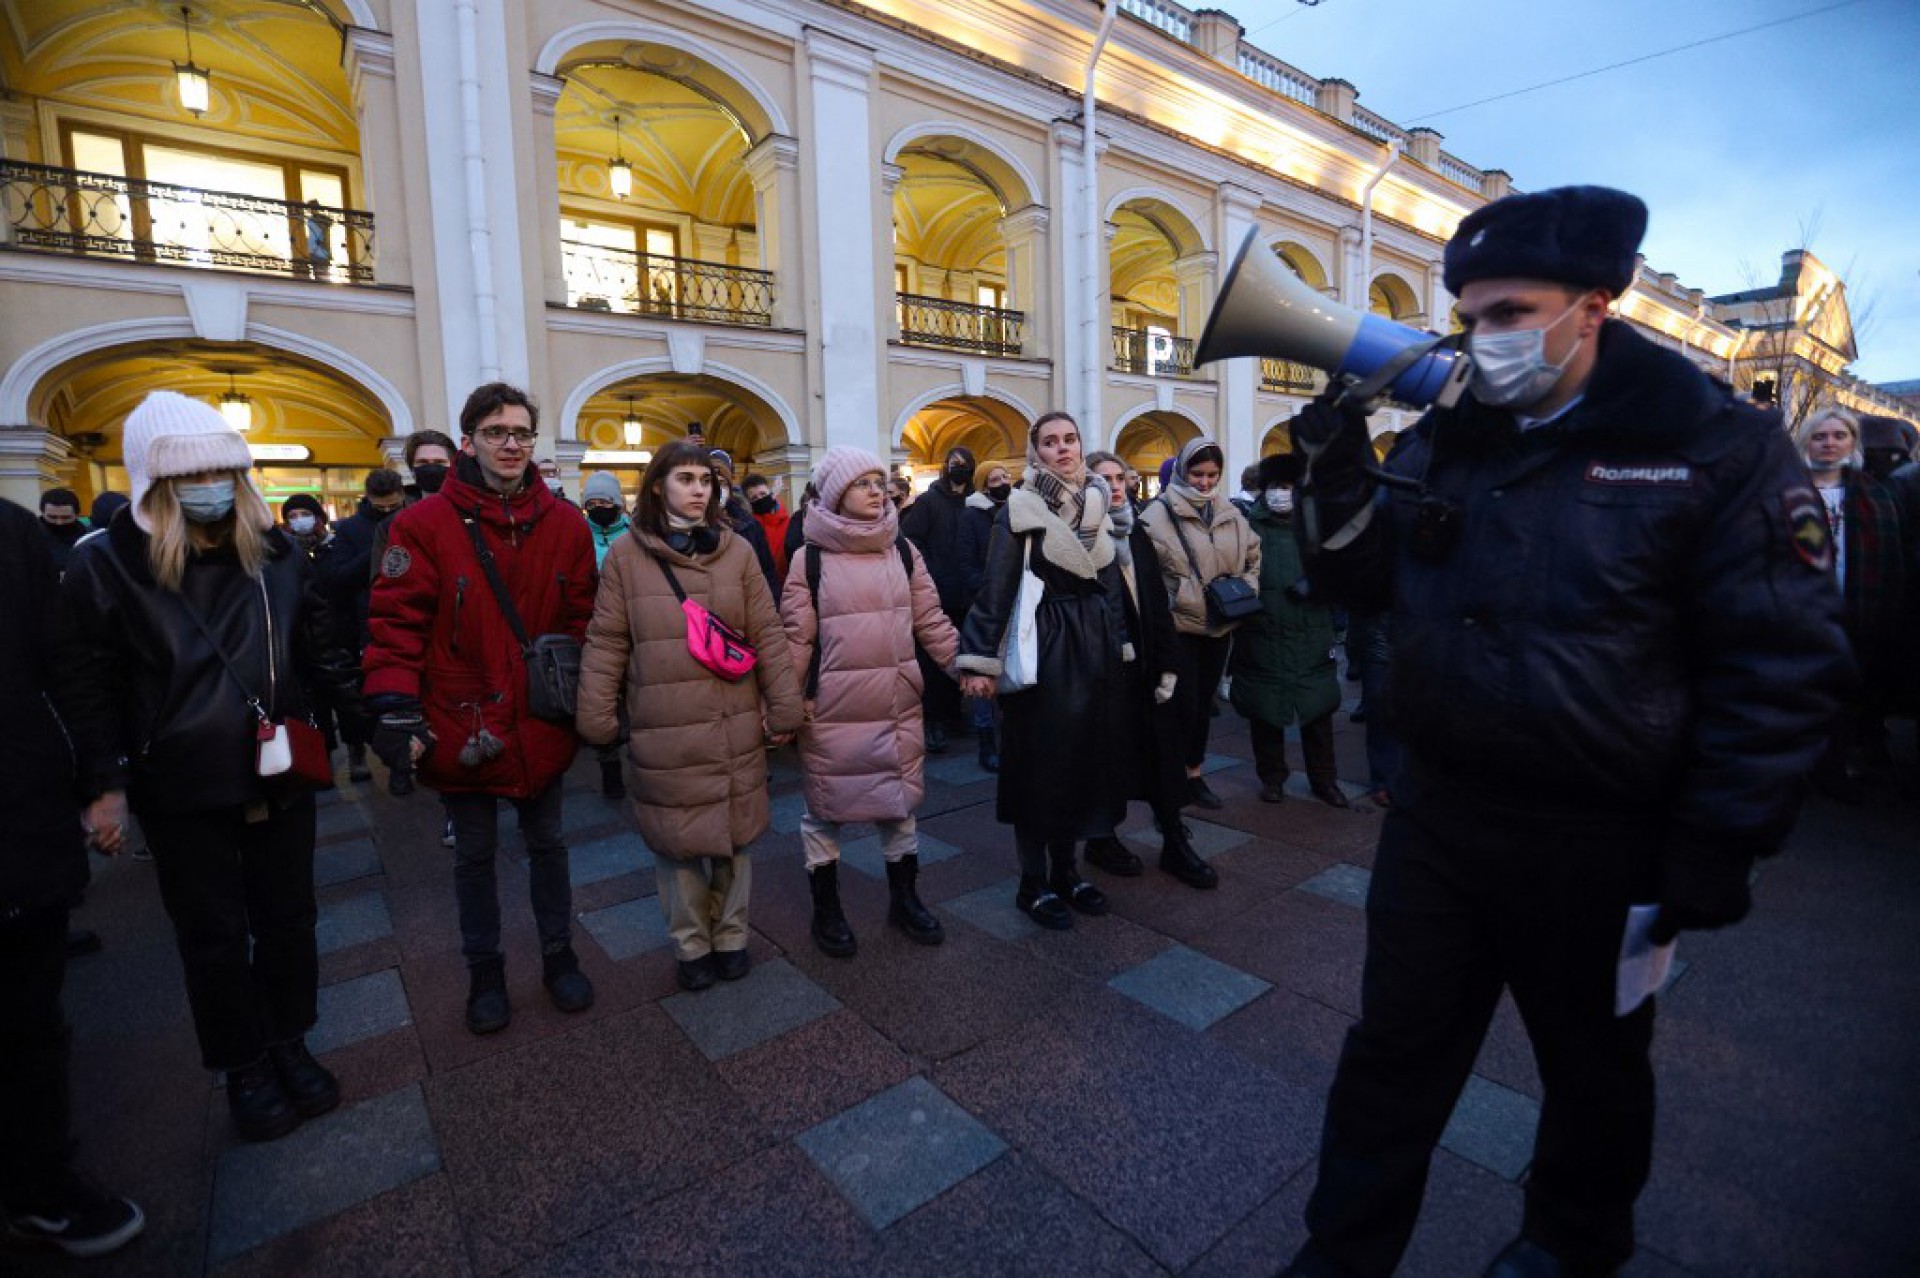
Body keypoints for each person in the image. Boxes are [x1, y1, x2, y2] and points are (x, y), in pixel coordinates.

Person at [1275, 186, 1852, 1278]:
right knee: (1389, 1060)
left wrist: (1713, 847)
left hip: (1606, 843)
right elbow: (1358, 581)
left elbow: (1778, 666)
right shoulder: (1452, 440)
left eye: (1510, 312)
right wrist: (1334, 456)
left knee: (1594, 1073)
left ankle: (1567, 1248)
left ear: (1593, 306)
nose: (1484, 338)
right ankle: (1341, 1254)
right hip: (1441, 823)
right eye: (1471, 314)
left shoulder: (1714, 448)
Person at [54, 391, 357, 1144]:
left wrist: (375, 718)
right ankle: (244, 1065)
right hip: (184, 784)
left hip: (278, 769)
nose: (214, 486)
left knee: (289, 921)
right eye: (197, 474)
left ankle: (290, 1039)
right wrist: (106, 786)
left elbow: (319, 651)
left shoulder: (277, 552)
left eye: (227, 470)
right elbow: (85, 685)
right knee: (213, 935)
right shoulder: (107, 564)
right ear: (157, 483)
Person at [361, 382, 598, 1035]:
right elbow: (395, 625)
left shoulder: (567, 524)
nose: (512, 443)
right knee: (473, 853)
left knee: (549, 844)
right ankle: (485, 972)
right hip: (462, 716)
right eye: (497, 432)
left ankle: (559, 956)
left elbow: (582, 619)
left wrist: (590, 697)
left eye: (522, 432)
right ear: (469, 442)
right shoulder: (422, 524)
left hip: (542, 714)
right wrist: (396, 708)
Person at [575, 439, 802, 991]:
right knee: (678, 847)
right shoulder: (628, 556)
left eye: (706, 479)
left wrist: (785, 702)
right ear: (658, 486)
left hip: (732, 720)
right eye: (686, 479)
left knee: (735, 840)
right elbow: (607, 639)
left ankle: (731, 937)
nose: (699, 489)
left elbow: (767, 631)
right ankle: (690, 944)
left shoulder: (737, 550)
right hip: (665, 723)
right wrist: (597, 714)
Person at [1, 497, 145, 1257]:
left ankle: (38, 1186)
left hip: (16, 818)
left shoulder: (11, 535)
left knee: (29, 1022)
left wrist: (100, 781)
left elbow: (68, 667)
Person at [780, 447, 961, 956]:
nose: (878, 491)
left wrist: (965, 669)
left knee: (900, 807)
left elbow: (930, 620)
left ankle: (906, 899)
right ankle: (827, 909)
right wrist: (783, 708)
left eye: (881, 482)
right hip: (832, 709)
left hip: (895, 703)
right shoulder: (809, 559)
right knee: (825, 810)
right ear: (837, 493)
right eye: (864, 483)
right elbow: (795, 640)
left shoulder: (903, 551)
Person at [958, 411, 1127, 929]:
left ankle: (1067, 873)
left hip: (1093, 648)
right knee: (1039, 771)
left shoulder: (1100, 503)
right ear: (1036, 452)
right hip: (1044, 649)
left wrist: (1119, 645)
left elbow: (1111, 588)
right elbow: (996, 587)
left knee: (1082, 767)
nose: (1063, 449)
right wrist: (979, 660)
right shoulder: (1019, 509)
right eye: (1050, 442)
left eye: (1070, 439)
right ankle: (1032, 883)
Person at [1082, 451, 1216, 888]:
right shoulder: (1081, 535)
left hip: (1147, 664)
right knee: (1106, 758)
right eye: (1105, 479)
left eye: (1121, 477)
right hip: (1103, 668)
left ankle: (1175, 841)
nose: (1116, 486)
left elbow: (1156, 600)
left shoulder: (1135, 531)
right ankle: (1100, 839)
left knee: (1163, 753)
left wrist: (1169, 664)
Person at [1140, 437, 1261, 810]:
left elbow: (1254, 557)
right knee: (1180, 705)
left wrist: (1244, 589)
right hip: (1179, 628)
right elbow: (1148, 577)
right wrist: (1178, 598)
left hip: (1221, 624)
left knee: (1204, 704)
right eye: (1197, 474)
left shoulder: (1231, 512)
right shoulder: (1155, 516)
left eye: (1212, 475)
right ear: (1182, 471)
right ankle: (1170, 775)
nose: (1205, 483)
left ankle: (1194, 771)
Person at [1792, 407, 1903, 801]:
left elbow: (1889, 563)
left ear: (1853, 442)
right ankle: (1789, 772)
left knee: (1841, 697)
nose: (1829, 443)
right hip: (1795, 613)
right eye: (1820, 436)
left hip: (1854, 611)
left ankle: (1831, 769)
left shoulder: (1875, 496)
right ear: (1807, 441)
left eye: (1839, 435)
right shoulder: (1785, 490)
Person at [1230, 454, 1348, 808]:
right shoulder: (1248, 528)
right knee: (1266, 712)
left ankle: (1325, 780)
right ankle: (1272, 778)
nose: (1285, 493)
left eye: (1292, 486)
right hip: (1263, 630)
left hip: (1311, 631)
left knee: (1318, 710)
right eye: (1278, 486)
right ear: (1265, 490)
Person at [314, 468, 405, 787]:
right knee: (360, 700)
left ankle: (400, 764)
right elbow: (335, 580)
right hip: (363, 625)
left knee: (401, 699)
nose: (388, 512)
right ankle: (356, 752)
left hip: (406, 621)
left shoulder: (414, 519)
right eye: (381, 507)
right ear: (367, 499)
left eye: (393, 506)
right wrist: (376, 551)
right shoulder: (350, 529)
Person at [900, 446, 979, 752]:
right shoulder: (929, 501)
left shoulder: (974, 502)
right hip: (936, 590)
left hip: (967, 592)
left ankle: (955, 712)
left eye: (964, 464)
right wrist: (931, 569)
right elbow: (911, 539)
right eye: (953, 464)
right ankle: (934, 720)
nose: (958, 468)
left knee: (963, 653)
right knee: (934, 660)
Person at [958, 463, 1014, 770]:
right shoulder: (971, 516)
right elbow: (965, 563)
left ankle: (1010, 738)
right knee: (983, 670)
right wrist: (990, 589)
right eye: (996, 480)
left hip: (1013, 602)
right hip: (983, 603)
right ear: (984, 485)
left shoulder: (1018, 509)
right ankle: (986, 743)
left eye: (1005, 476)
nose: (1004, 482)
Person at [581, 471, 633, 800]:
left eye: (605, 502)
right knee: (602, 703)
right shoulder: (576, 535)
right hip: (595, 630)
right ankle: (609, 765)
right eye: (593, 503)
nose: (600, 508)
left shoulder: (635, 534)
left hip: (634, 629)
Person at [708, 449, 780, 595]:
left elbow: (768, 573)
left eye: (722, 483)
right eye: (711, 483)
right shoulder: (691, 527)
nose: (717, 490)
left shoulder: (750, 526)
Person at [742, 473, 791, 580]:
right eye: (754, 497)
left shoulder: (788, 521)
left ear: (770, 492)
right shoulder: (749, 528)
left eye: (763, 494)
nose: (760, 499)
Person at [39, 487, 86, 576]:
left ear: (77, 514)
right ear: (42, 512)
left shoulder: (88, 537)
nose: (59, 522)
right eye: (52, 517)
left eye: (66, 517)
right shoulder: (28, 537)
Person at [280, 493, 330, 558]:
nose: (299, 519)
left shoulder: (334, 544)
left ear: (317, 517)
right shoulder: (283, 550)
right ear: (287, 522)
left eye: (306, 514)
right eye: (292, 516)